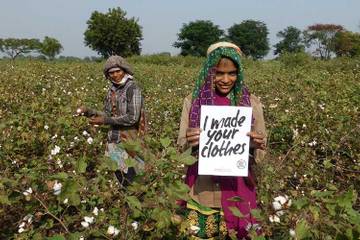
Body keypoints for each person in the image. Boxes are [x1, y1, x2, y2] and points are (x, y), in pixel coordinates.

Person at [177, 42, 266, 239]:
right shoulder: (192, 102)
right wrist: (190, 141)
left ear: (239, 73)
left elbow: (262, 151)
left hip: (238, 189)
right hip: (203, 190)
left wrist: (254, 145)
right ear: (209, 71)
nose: (226, 80)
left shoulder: (251, 102)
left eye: (232, 73)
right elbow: (180, 146)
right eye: (219, 73)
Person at [78, 55, 146, 187]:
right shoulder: (112, 90)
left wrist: (105, 120)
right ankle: (126, 203)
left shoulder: (133, 88)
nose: (115, 75)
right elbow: (109, 114)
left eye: (118, 71)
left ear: (124, 71)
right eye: (111, 73)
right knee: (120, 174)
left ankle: (136, 203)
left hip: (130, 140)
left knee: (134, 175)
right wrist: (89, 112)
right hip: (114, 140)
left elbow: (132, 117)